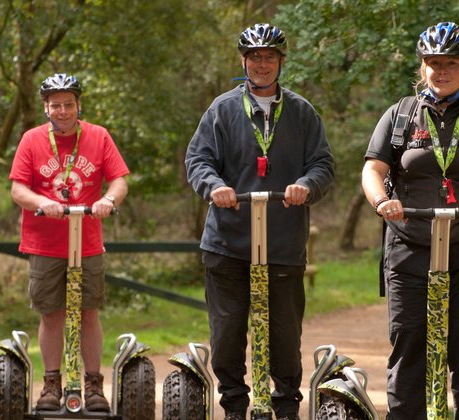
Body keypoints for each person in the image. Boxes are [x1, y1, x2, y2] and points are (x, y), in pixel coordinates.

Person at [360, 22, 459, 419]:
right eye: (433, 63)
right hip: (409, 246)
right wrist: (383, 201)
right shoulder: (400, 116)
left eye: (451, 63)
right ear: (423, 67)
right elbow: (373, 169)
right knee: (409, 341)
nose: (441, 71)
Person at [185, 23, 335, 420]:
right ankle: (235, 405)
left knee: (285, 333)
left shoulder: (302, 112)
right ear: (243, 62)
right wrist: (214, 185)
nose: (262, 64)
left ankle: (285, 407)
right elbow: (197, 161)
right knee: (228, 331)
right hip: (228, 242)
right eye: (255, 57)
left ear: (281, 62)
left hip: (283, 243)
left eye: (270, 57)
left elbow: (322, 164)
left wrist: (305, 184)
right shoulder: (222, 109)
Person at [9, 73, 129, 412]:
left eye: (69, 104)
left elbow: (119, 180)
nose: (63, 111)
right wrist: (41, 203)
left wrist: (109, 199)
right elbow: (18, 189)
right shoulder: (32, 140)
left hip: (88, 241)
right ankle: (51, 384)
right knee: (51, 314)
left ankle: (93, 385)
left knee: (89, 312)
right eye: (56, 105)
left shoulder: (98, 136)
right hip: (45, 242)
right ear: (46, 107)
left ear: (79, 105)